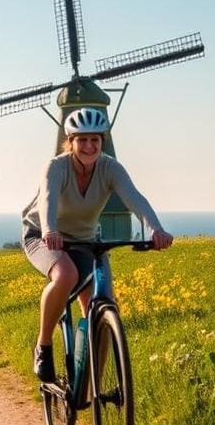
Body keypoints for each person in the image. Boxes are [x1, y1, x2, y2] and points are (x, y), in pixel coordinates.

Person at [21, 107, 173, 382]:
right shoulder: (56, 167)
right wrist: (49, 230)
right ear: (71, 141)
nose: (89, 146)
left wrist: (155, 229)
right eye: (82, 140)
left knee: (100, 305)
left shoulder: (110, 168)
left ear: (103, 141)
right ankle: (43, 345)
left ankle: (92, 387)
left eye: (95, 140)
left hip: (85, 241)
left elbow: (134, 198)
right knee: (65, 274)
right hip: (42, 235)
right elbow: (47, 200)